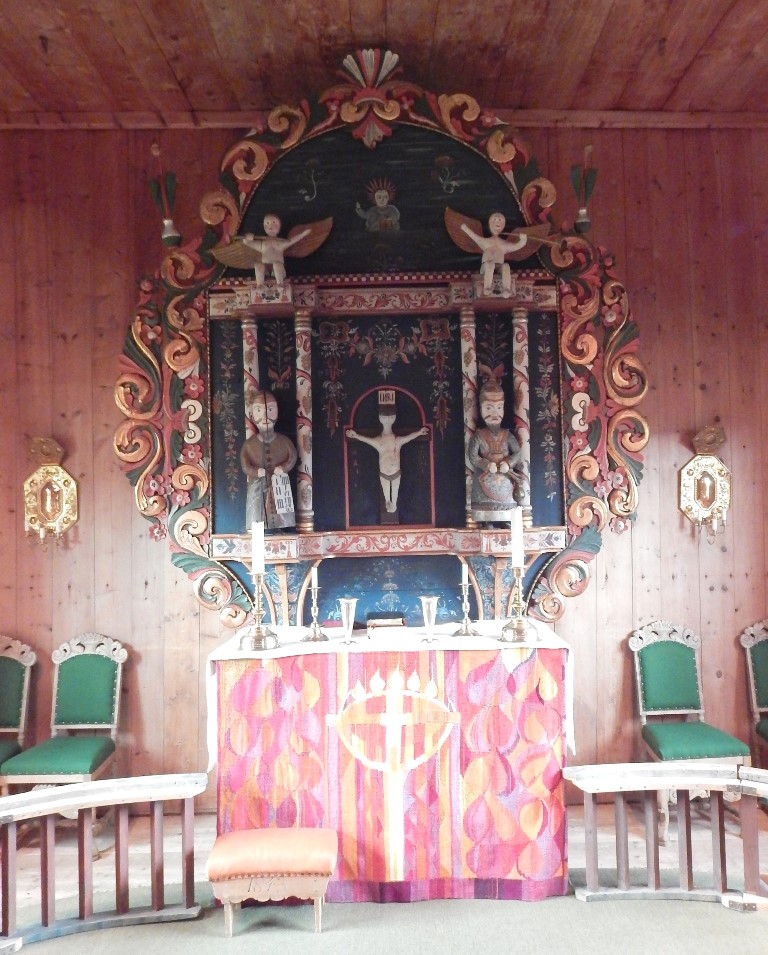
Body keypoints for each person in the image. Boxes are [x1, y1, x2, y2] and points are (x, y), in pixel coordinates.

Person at [347, 399, 427, 515]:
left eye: (390, 416)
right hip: (384, 473)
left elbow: (409, 437)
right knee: (387, 497)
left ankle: (392, 505)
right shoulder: (379, 441)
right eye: (385, 416)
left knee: (394, 496)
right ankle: (389, 503)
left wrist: (419, 433)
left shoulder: (396, 441)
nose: (388, 419)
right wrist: (356, 435)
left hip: (395, 473)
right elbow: (366, 440)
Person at [240, 390, 297, 529]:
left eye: (270, 409)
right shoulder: (249, 444)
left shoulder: (284, 441)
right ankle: (257, 531)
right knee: (257, 514)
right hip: (257, 486)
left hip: (280, 484)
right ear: (252, 415)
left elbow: (292, 456)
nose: (265, 416)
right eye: (259, 410)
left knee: (282, 512)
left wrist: (284, 468)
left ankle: (282, 528)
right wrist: (255, 472)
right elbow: (245, 465)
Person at [468, 380, 523, 523]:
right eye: (489, 408)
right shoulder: (478, 436)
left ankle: (506, 520)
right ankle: (486, 521)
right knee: (484, 507)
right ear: (481, 409)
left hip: (505, 479)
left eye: (499, 407)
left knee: (508, 506)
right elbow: (473, 456)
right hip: (485, 479)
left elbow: (517, 452)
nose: (495, 413)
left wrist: (508, 463)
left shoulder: (507, 435)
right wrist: (486, 465)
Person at [460, 211, 527, 296]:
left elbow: (517, 246)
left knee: (506, 266)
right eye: (494, 220)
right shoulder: (486, 242)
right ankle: (487, 287)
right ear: (490, 224)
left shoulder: (504, 244)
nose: (497, 222)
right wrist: (465, 228)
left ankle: (506, 289)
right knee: (490, 264)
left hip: (499, 265)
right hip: (486, 265)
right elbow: (474, 236)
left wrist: (523, 240)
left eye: (500, 220)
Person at [242, 214, 311, 288]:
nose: (270, 225)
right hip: (266, 270)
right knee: (258, 265)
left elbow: (292, 240)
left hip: (279, 269)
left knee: (277, 265)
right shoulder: (262, 243)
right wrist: (248, 238)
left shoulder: (280, 243)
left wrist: (303, 234)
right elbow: (246, 242)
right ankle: (260, 285)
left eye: (274, 222)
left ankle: (280, 284)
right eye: (267, 223)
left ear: (279, 227)